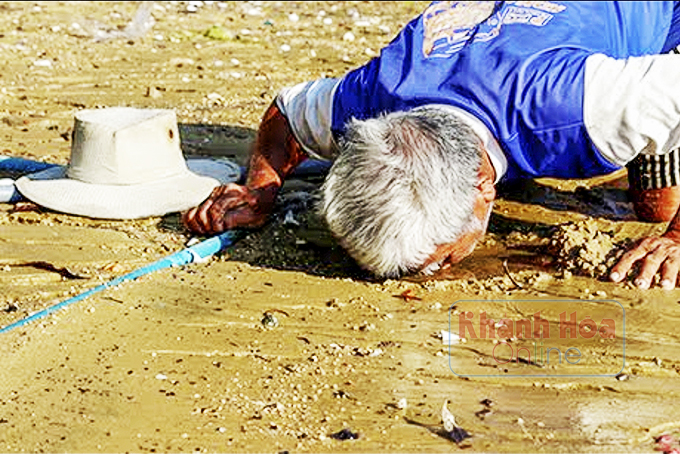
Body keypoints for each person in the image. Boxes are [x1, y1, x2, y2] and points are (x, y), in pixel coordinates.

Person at [184, 1, 680, 290]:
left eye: (438, 260)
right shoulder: (370, 98)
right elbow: (287, 113)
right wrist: (261, 190)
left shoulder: (584, 110)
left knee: (658, 209)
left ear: (484, 190)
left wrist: (675, 241)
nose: (440, 272)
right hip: (520, 43)